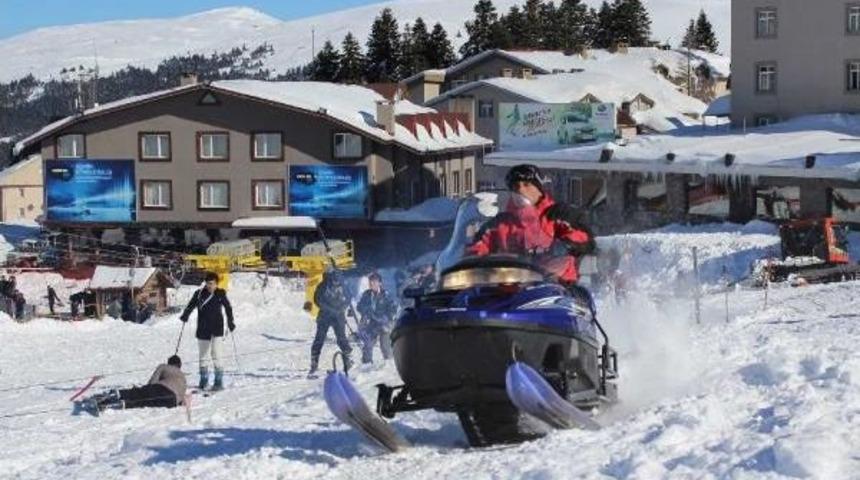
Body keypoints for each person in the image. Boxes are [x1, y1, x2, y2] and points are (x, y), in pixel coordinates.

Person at [467, 164, 596, 286]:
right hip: (510, 287)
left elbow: (585, 239)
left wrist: (569, 237)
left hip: (557, 285)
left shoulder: (555, 216)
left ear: (539, 190)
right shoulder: (498, 224)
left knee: (578, 296)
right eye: (515, 186)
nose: (520, 189)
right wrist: (478, 264)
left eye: (526, 184)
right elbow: (476, 250)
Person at [180, 272, 235, 391]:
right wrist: (185, 315)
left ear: (216, 284)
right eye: (208, 283)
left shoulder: (220, 293)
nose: (210, 286)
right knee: (203, 355)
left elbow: (228, 308)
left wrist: (230, 321)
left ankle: (218, 381)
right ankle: (204, 380)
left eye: (212, 284)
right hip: (203, 328)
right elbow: (191, 305)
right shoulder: (199, 294)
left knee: (216, 353)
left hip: (217, 329)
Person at [86, 355, 187, 412]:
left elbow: (152, 382)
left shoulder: (164, 366)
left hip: (163, 389)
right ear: (180, 365)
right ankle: (114, 405)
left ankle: (110, 396)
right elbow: (182, 400)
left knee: (138, 394)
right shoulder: (183, 377)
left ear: (169, 362)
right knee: (144, 402)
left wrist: (144, 389)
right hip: (172, 401)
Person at [308, 268, 353, 376]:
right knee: (319, 338)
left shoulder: (343, 286)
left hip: (338, 316)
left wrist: (341, 308)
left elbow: (348, 298)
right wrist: (329, 309)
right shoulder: (323, 285)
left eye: (338, 280)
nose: (336, 282)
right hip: (325, 316)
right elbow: (317, 299)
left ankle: (347, 360)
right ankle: (314, 362)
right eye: (334, 280)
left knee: (341, 338)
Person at [356, 272, 399, 364]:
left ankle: (389, 364)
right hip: (373, 322)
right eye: (370, 282)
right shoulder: (366, 294)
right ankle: (366, 363)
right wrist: (365, 311)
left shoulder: (386, 294)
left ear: (380, 283)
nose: (372, 284)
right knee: (368, 343)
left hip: (384, 323)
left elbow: (393, 308)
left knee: (385, 345)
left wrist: (387, 318)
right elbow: (359, 306)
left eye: (374, 282)